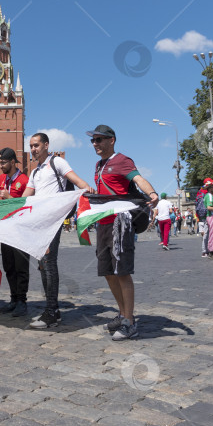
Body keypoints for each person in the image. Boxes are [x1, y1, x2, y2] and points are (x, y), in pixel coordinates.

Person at [87, 125, 157, 341]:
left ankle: (129, 321)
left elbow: (138, 179)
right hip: (103, 223)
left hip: (121, 222)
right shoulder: (99, 165)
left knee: (122, 271)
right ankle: (123, 313)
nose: (95, 144)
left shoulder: (122, 160)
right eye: (93, 140)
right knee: (108, 271)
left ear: (112, 140)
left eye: (99, 139)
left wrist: (152, 192)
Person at [23, 132, 91, 330]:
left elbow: (78, 182)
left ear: (46, 145)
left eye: (36, 145)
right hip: (40, 222)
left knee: (49, 261)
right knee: (43, 264)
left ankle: (52, 311)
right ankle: (52, 310)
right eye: (31, 146)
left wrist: (86, 189)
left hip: (54, 220)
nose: (33, 149)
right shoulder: (35, 172)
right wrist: (5, 201)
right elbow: (25, 198)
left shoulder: (57, 163)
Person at [0, 147, 31, 317]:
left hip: (21, 230)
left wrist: (8, 197)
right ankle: (13, 299)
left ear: (13, 162)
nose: (0, 165)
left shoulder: (24, 180)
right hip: (5, 229)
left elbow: (28, 204)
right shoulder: (1, 179)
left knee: (21, 267)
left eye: (3, 162)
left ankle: (22, 301)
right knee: (9, 266)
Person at [197, 179, 213, 258]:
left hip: (202, 216)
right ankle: (206, 251)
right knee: (208, 234)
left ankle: (205, 251)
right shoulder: (209, 195)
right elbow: (210, 206)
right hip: (208, 215)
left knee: (205, 234)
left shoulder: (200, 193)